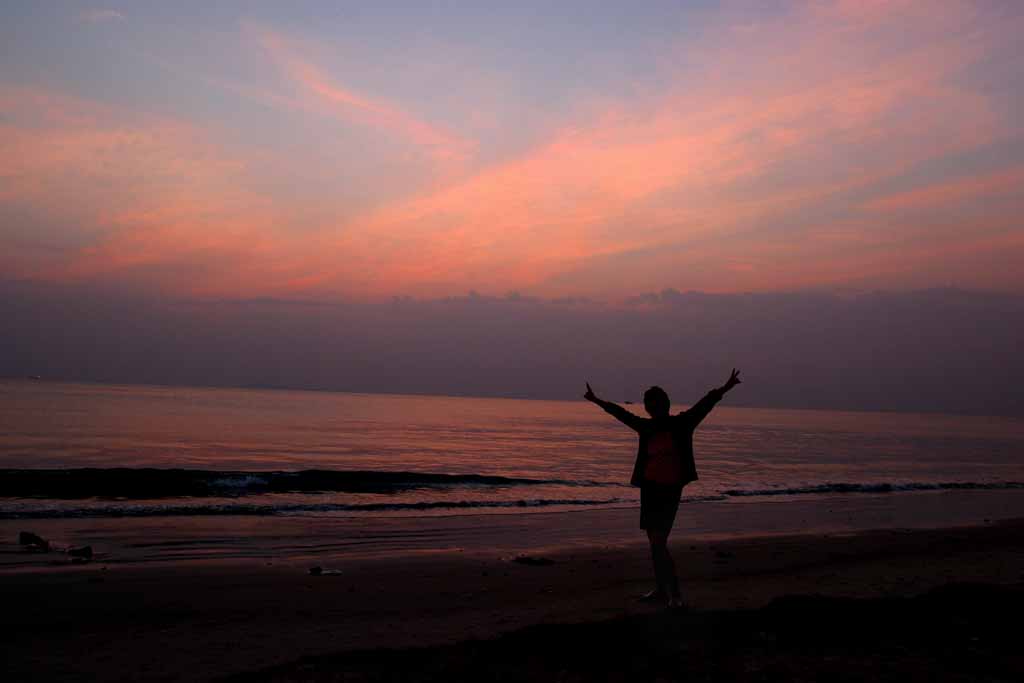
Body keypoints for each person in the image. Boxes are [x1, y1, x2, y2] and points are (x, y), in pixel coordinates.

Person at [584, 369, 742, 609]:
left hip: (669, 491)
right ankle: (660, 589)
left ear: (665, 405)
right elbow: (621, 413)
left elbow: (705, 404)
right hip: (649, 490)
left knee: (658, 542)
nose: (653, 408)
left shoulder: (682, 424)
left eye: (656, 404)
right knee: (653, 541)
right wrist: (597, 401)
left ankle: (675, 593)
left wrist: (726, 386)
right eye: (650, 405)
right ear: (648, 408)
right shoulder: (646, 427)